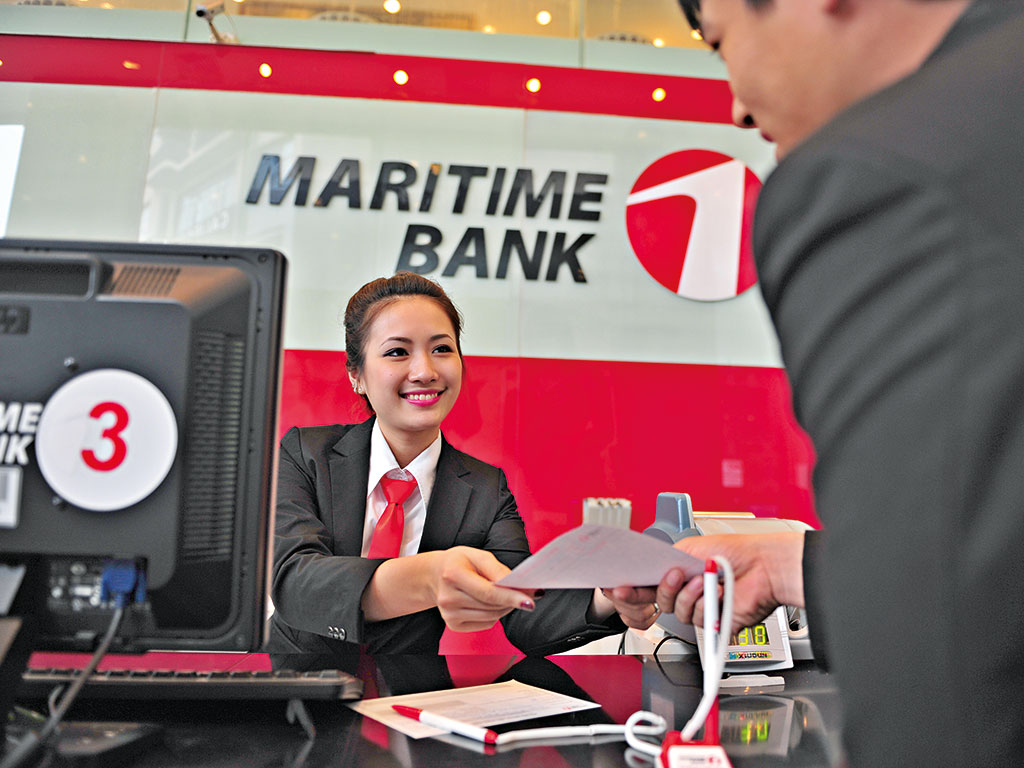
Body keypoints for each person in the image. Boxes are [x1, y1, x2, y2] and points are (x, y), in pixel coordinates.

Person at [639, 1, 1024, 766]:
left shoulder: (885, 180)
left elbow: (950, 672)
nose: (739, 106)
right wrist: (797, 566)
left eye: (721, 44)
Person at [266, 272, 659, 657]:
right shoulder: (306, 454)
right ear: (357, 375)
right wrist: (429, 577)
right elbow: (294, 581)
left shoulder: (486, 489)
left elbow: (524, 608)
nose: (425, 372)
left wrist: (608, 596)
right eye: (397, 352)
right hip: (296, 687)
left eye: (441, 349)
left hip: (412, 693)